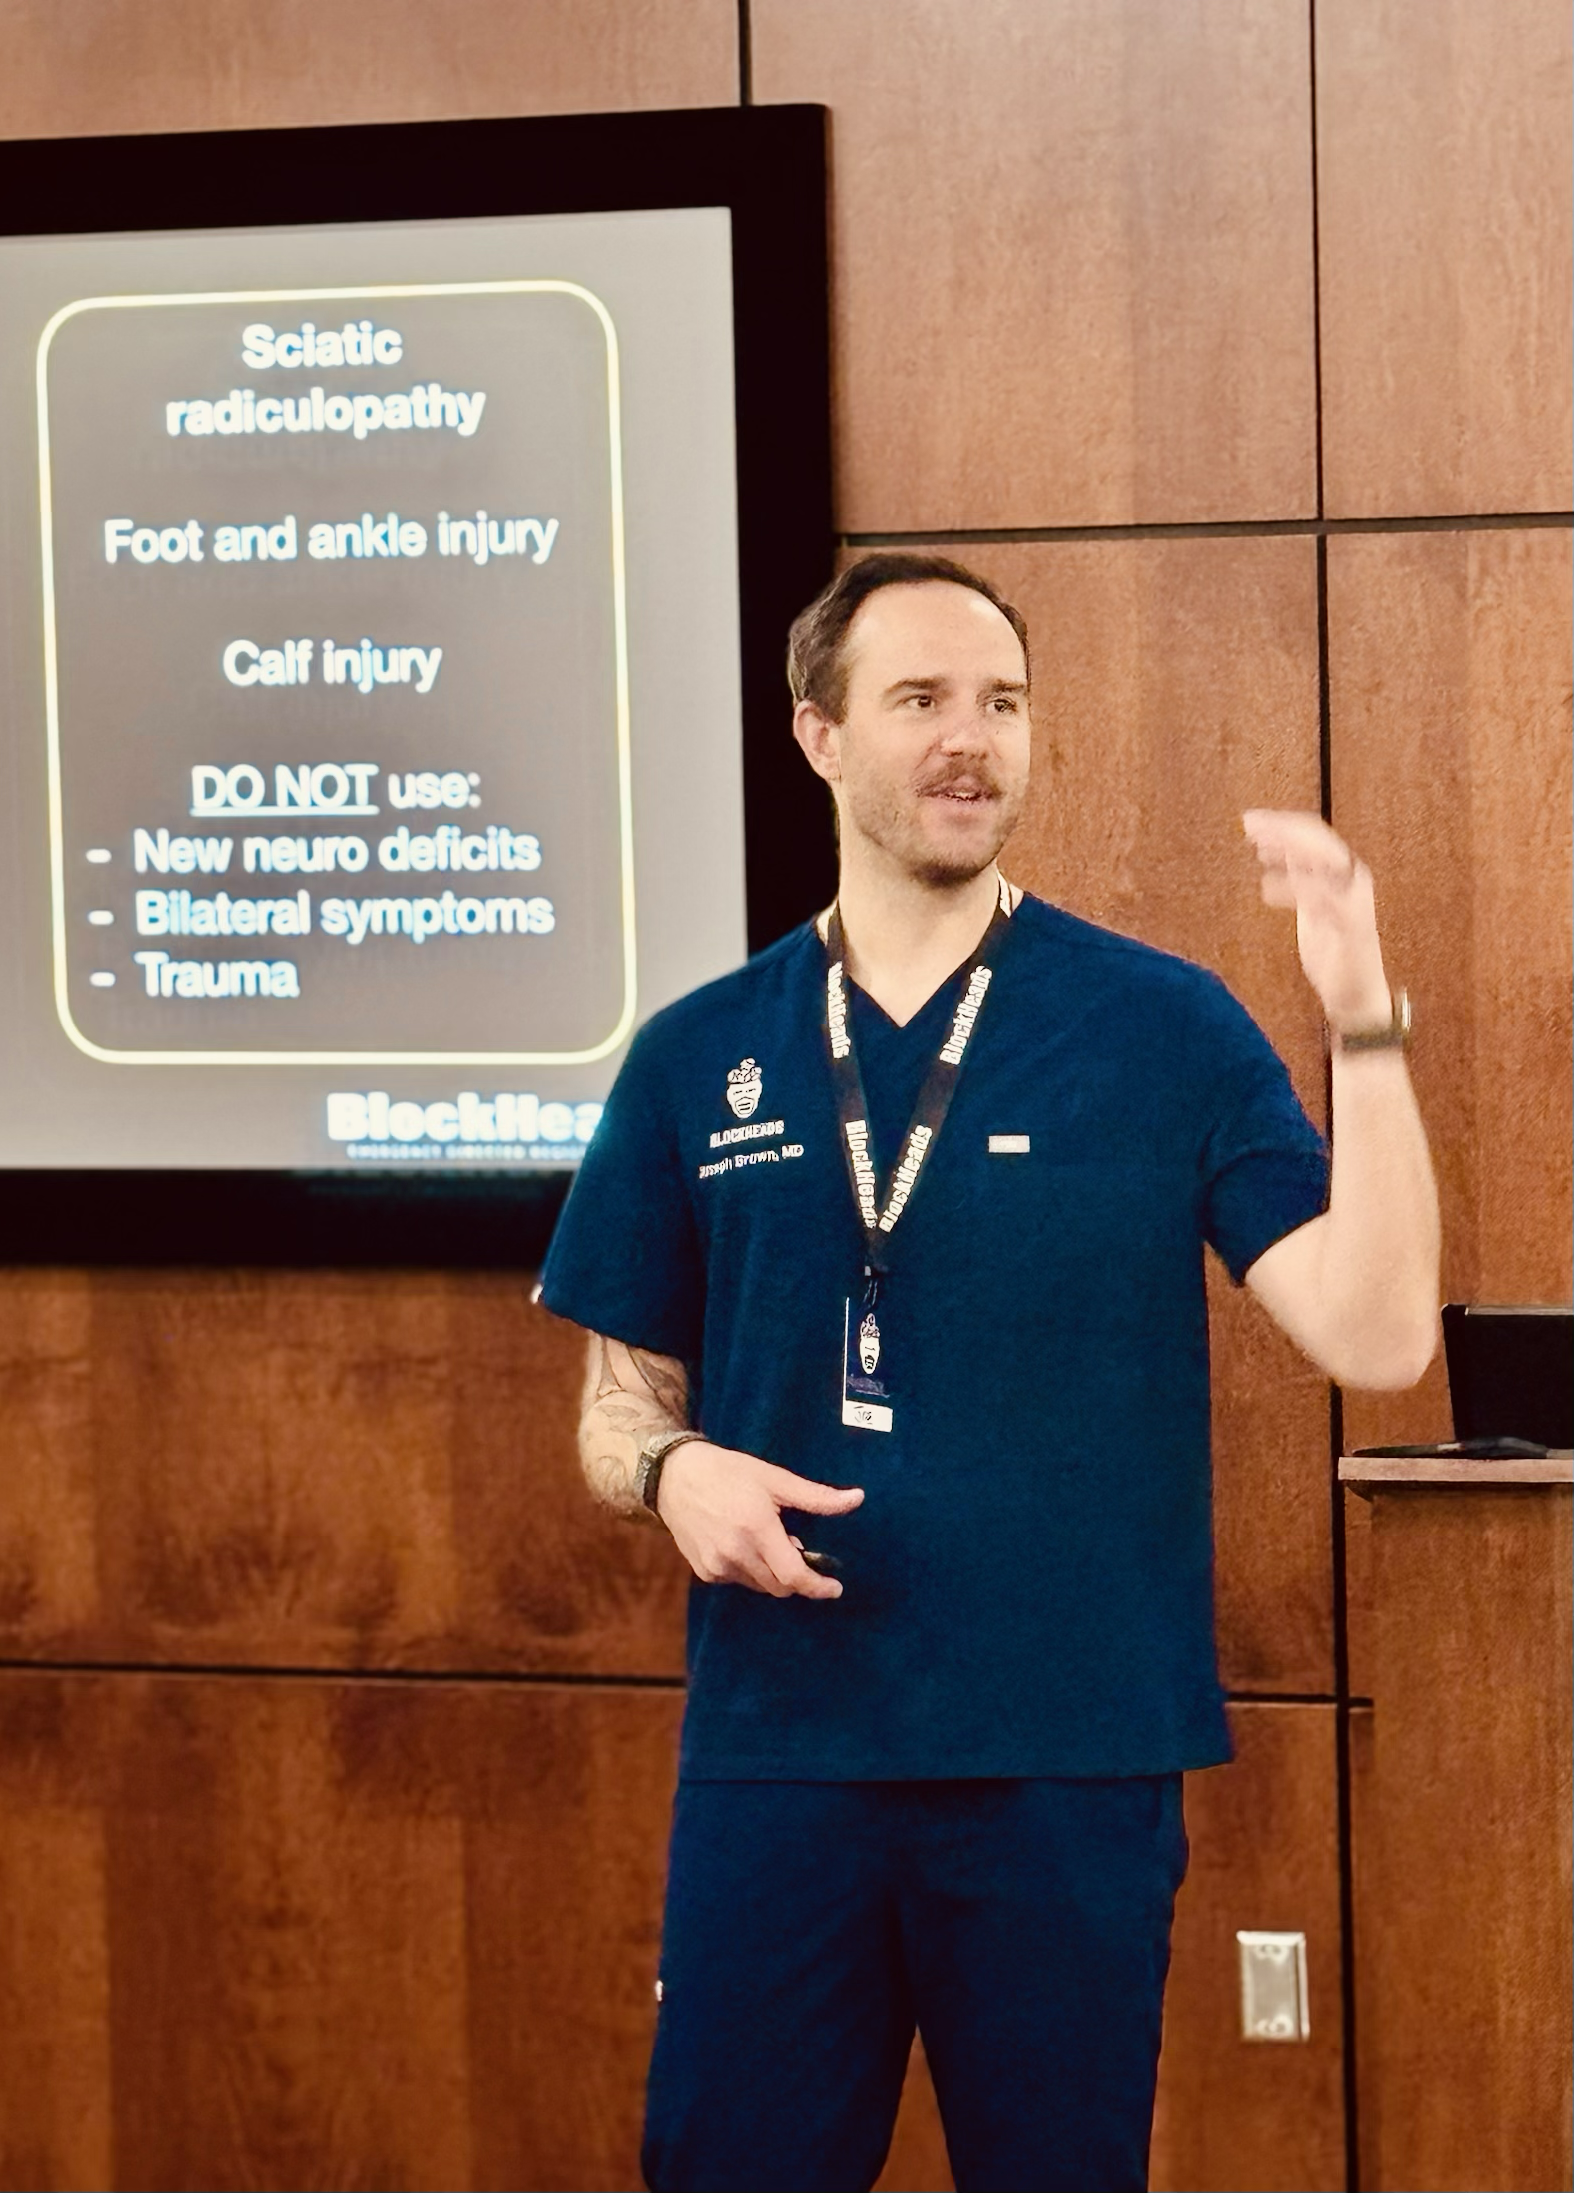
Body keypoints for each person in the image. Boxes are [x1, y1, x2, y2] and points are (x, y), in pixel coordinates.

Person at [537, 552, 1439, 2193]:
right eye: (923, 700)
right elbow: (618, 1409)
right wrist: (679, 1474)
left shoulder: (1163, 1027)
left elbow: (1378, 1338)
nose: (974, 739)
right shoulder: (695, 1054)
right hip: (783, 1757)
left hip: (1069, 1762)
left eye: (1004, 703)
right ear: (817, 734)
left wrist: (1363, 1019)